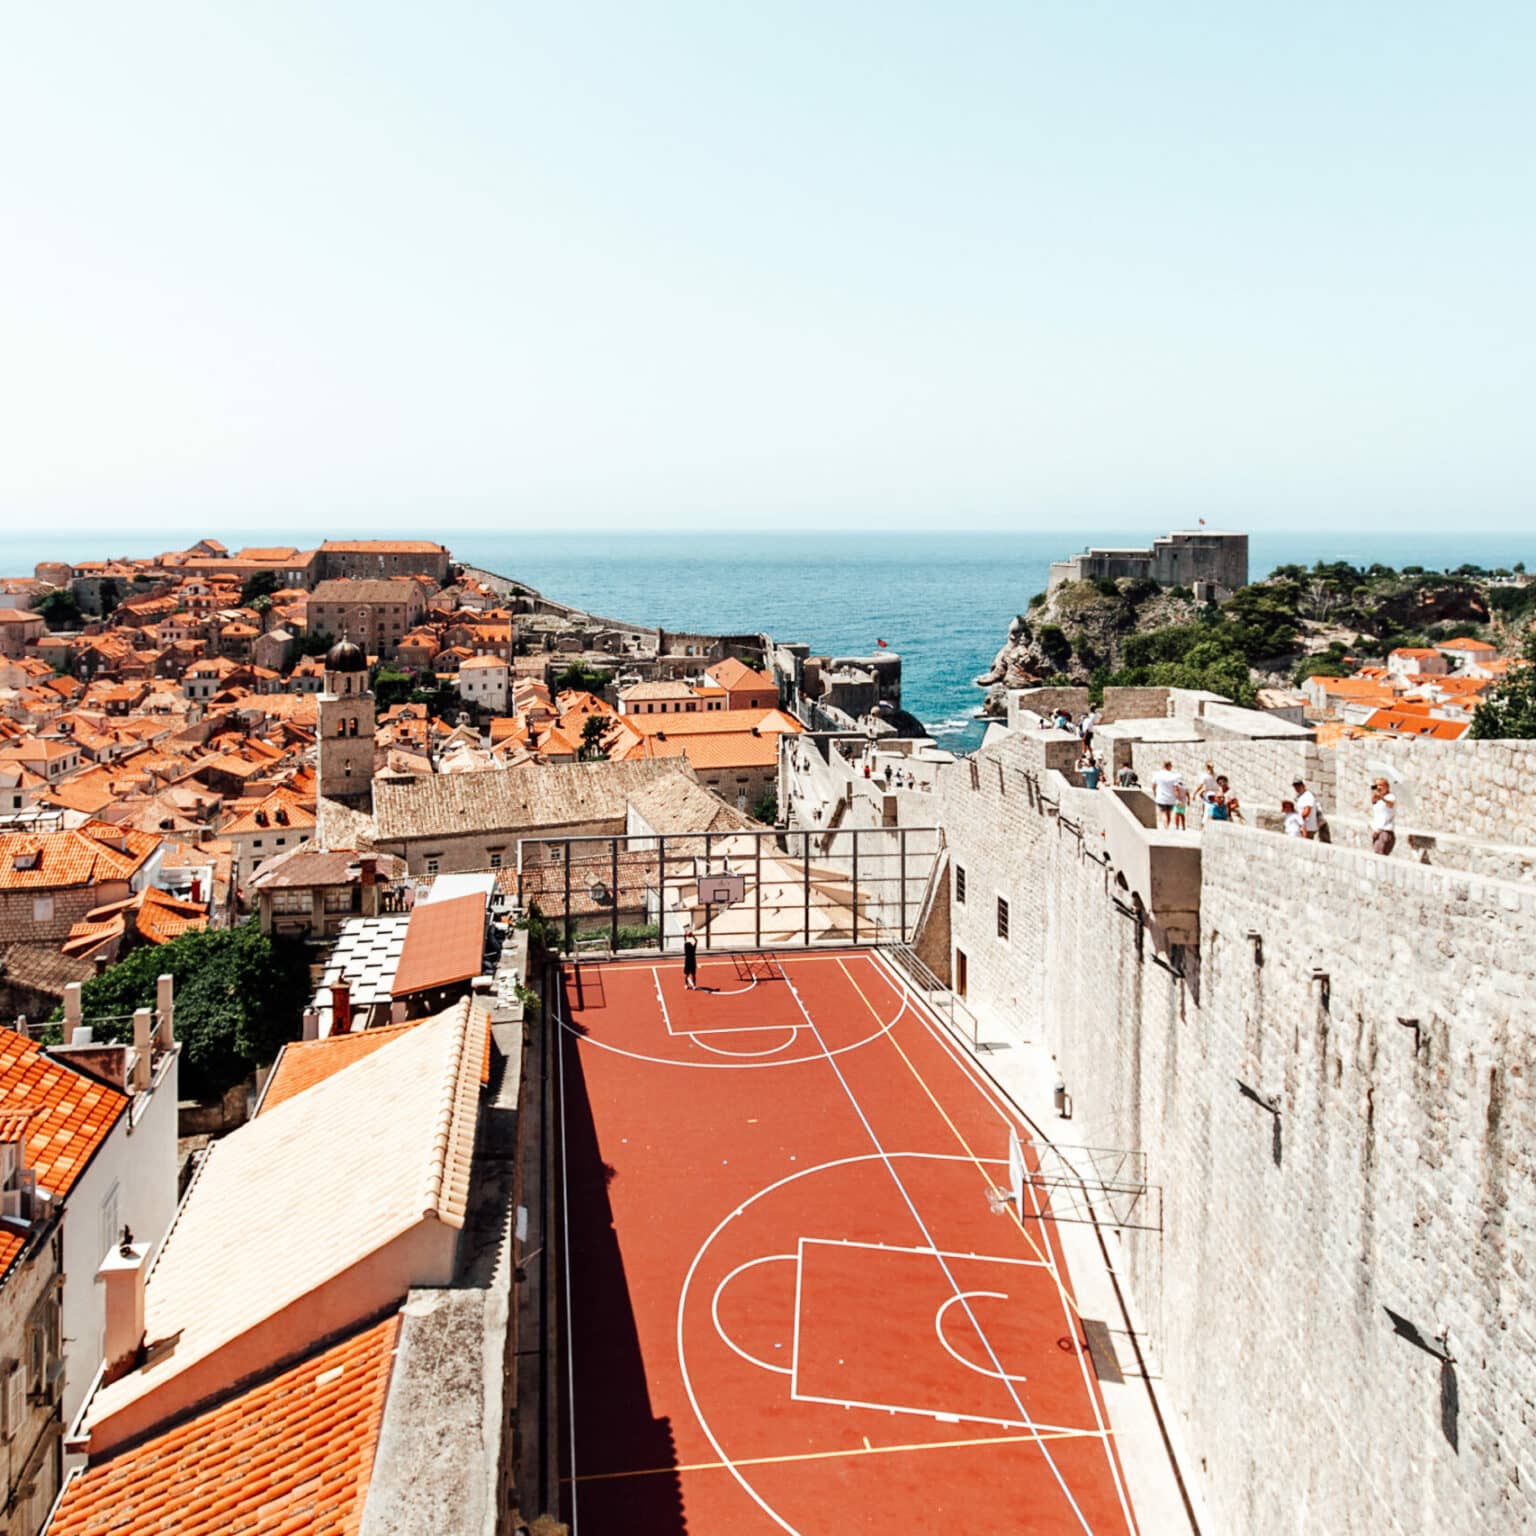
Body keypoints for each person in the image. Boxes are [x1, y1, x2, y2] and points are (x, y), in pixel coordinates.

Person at [1151, 760, 1182, 829]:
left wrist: (1155, 793)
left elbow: (1153, 785)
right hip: (1171, 798)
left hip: (1161, 797)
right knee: (1169, 814)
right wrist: (1178, 799)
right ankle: (1167, 826)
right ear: (1169, 766)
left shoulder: (1157, 774)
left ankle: (1166, 828)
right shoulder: (1173, 776)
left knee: (1163, 813)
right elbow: (1176, 788)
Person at [1370, 777, 1396, 856]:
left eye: (1381, 785)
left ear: (1387, 787)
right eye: (1377, 785)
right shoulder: (1377, 798)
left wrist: (1381, 798)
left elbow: (1390, 804)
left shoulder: (1391, 797)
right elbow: (1373, 802)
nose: (1378, 787)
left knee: (1379, 856)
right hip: (1377, 832)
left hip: (1385, 832)